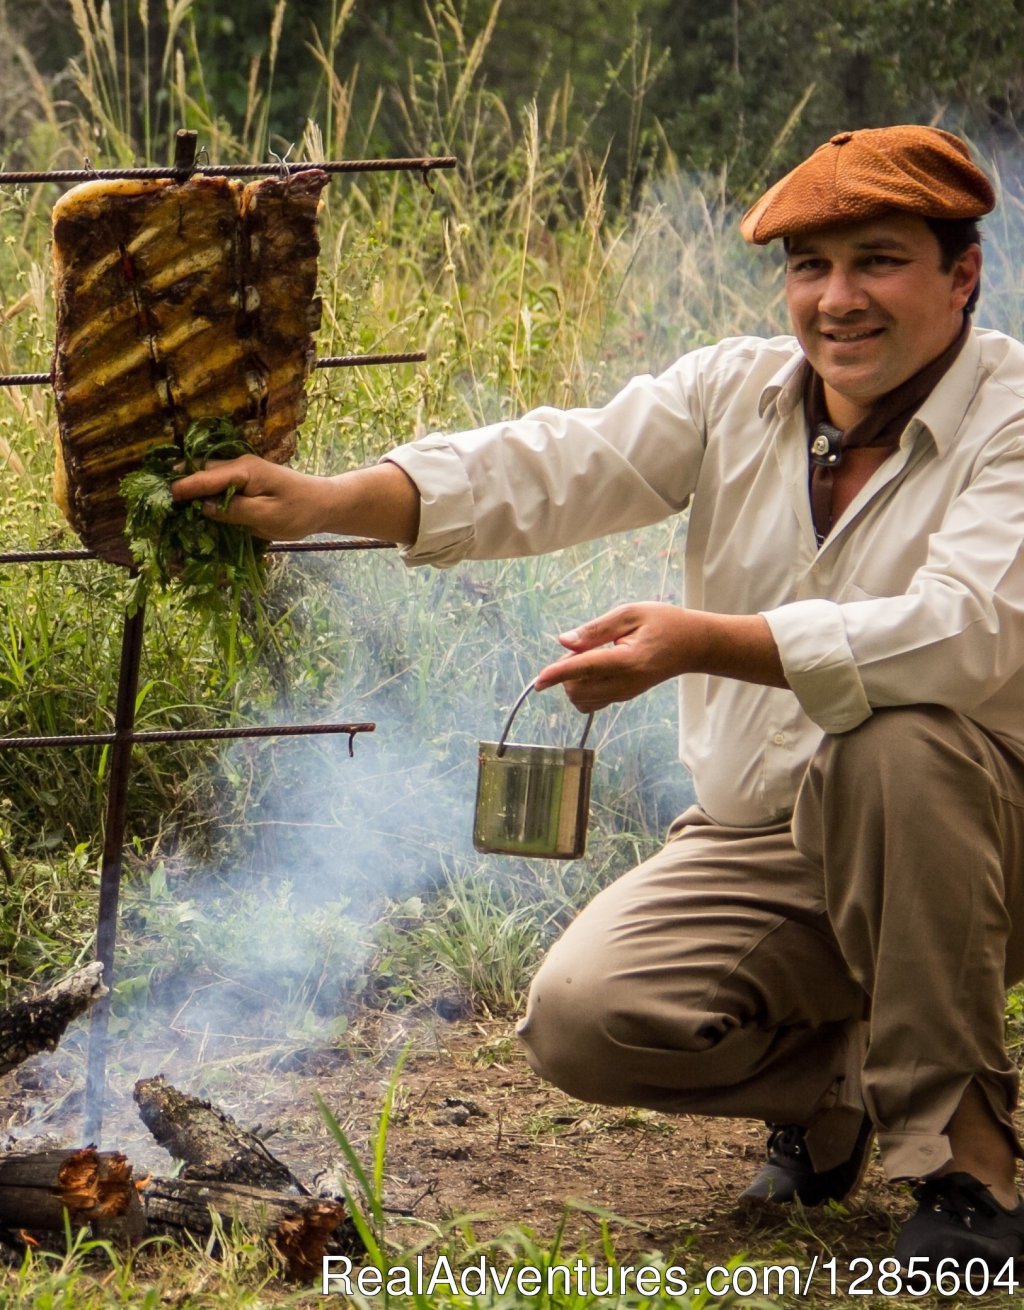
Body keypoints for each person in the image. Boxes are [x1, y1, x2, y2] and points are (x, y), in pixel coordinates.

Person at [172, 124, 1024, 1271]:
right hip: (770, 837)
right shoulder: (738, 390)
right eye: (809, 267)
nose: (836, 299)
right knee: (585, 1019)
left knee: (900, 738)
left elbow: (969, 632)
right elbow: (554, 462)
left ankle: (969, 1159)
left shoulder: (1010, 415)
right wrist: (327, 499)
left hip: (981, 833)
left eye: (878, 259)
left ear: (960, 272)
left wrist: (704, 642)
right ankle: (849, 1089)